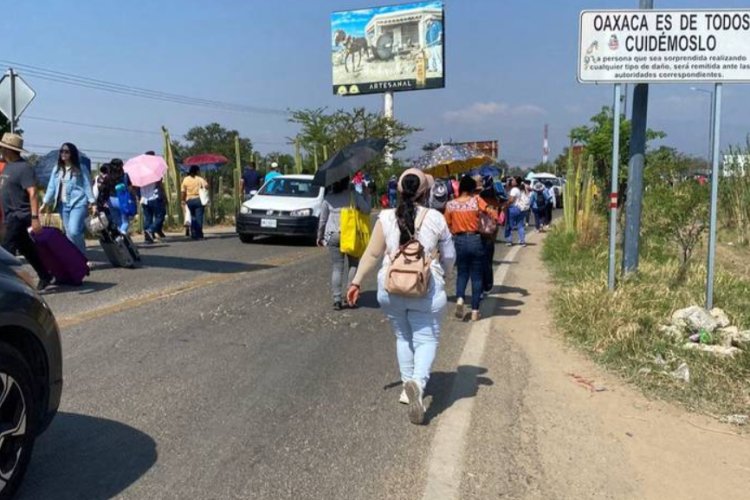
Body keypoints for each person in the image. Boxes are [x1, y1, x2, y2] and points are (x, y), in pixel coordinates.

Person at [346, 168, 454, 425]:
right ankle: (417, 382)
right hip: (425, 287)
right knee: (426, 337)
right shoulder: (436, 218)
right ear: (425, 192)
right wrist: (445, 275)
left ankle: (407, 388)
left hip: (390, 287)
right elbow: (449, 255)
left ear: (400, 190)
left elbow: (372, 254)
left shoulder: (385, 217)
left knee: (403, 336)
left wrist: (356, 282)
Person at [0, 133, 53, 290]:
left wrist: (35, 217)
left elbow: (33, 193)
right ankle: (45, 275)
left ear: (8, 149)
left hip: (19, 215)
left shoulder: (24, 168)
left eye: (2, 147)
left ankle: (12, 287)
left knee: (5, 252)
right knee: (27, 249)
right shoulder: (7, 166)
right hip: (9, 215)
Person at [444, 175, 495, 322]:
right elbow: (492, 212)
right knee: (477, 276)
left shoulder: (450, 204)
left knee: (462, 273)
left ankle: (460, 298)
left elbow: (446, 223)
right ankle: (474, 311)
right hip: (475, 239)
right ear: (472, 189)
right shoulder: (476, 201)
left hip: (458, 241)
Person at [317, 176, 371, 310]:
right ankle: (350, 295)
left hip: (332, 235)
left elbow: (323, 220)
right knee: (353, 264)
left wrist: (319, 236)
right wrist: (366, 195)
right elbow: (367, 210)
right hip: (351, 235)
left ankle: (336, 299)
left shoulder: (328, 198)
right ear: (347, 182)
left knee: (337, 267)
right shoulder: (354, 196)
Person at [40, 142, 96, 257]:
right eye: (61, 151)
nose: (63, 154)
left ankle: (82, 256)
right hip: (62, 205)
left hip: (78, 203)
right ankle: (75, 259)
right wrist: (45, 203)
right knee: (69, 234)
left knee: (74, 231)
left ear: (72, 153)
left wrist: (92, 202)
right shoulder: (57, 169)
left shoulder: (81, 168)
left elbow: (87, 186)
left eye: (66, 151)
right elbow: (51, 187)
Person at [181, 165, 208, 240]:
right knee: (199, 217)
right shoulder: (199, 179)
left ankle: (193, 233)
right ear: (196, 171)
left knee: (193, 217)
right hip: (198, 199)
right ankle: (199, 234)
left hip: (189, 200)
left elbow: (183, 191)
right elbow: (206, 186)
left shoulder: (185, 179)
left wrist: (183, 200)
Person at [505, 177, 527, 247]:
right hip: (520, 209)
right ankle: (522, 241)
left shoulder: (514, 189)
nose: (511, 181)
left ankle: (509, 240)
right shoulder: (519, 189)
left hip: (513, 208)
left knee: (509, 225)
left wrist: (505, 205)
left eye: (513, 180)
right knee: (520, 225)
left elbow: (511, 200)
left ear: (516, 182)